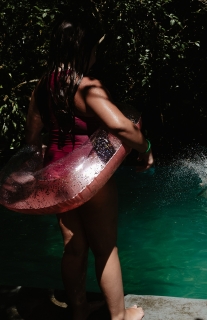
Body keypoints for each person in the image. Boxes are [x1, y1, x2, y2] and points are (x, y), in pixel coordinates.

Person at [24, 17, 152, 320]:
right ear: (84, 50)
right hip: (89, 175)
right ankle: (119, 316)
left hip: (56, 175)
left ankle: (79, 311)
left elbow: (31, 138)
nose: (96, 53)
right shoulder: (87, 87)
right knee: (105, 247)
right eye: (94, 48)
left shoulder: (43, 86)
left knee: (74, 245)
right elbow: (121, 126)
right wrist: (145, 149)